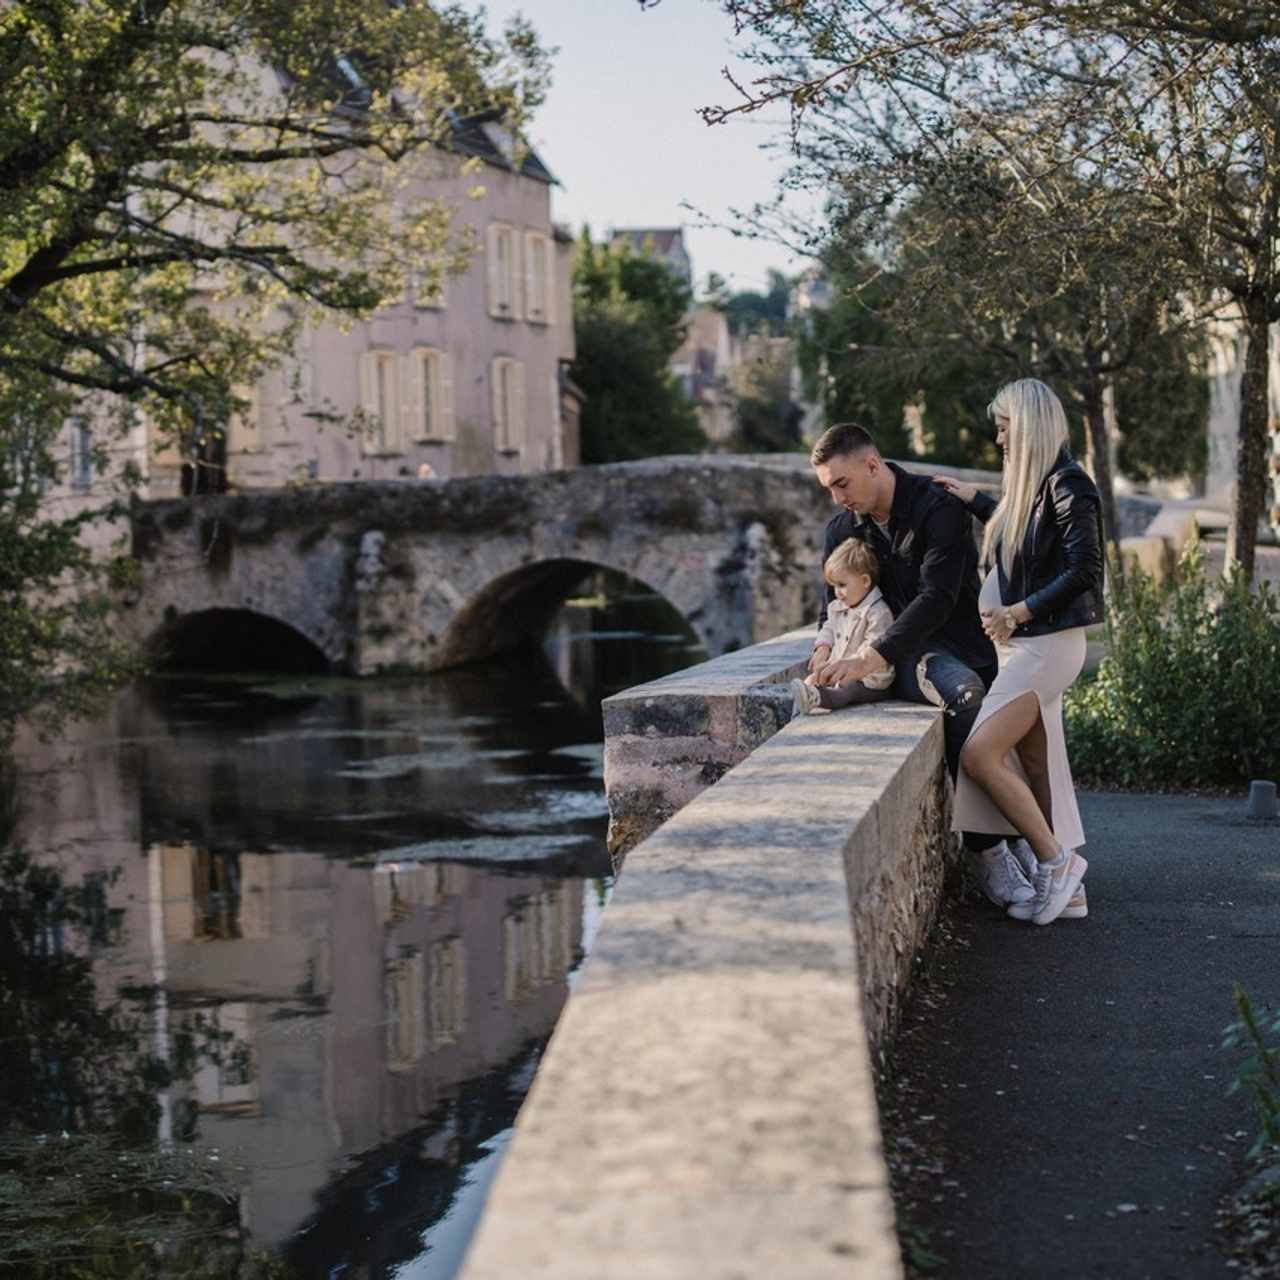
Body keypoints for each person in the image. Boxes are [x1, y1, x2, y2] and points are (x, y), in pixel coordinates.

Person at [807, 423, 1030, 908]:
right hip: (910, 660)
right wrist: (823, 651)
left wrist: (868, 656)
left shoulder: (937, 507)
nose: (837, 498)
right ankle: (987, 850)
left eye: (841, 484)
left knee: (988, 714)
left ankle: (1014, 839)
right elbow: (830, 606)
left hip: (958, 644)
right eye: (829, 489)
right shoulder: (842, 531)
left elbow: (938, 597)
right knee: (963, 695)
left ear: (872, 465)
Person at [934, 378, 1104, 925]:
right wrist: (976, 500)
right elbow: (1026, 539)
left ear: (1027, 427)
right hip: (1028, 649)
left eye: (1004, 429)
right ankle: (1069, 893)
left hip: (1045, 648)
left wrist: (1017, 612)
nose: (999, 440)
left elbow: (1084, 569)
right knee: (1034, 764)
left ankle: (1057, 863)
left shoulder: (1071, 486)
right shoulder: (1036, 489)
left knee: (980, 754)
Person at [791, 538, 895, 715]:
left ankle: (822, 699)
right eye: (833, 586)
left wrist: (846, 667)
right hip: (840, 668)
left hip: (871, 678)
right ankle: (799, 709)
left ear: (864, 581)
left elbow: (873, 645)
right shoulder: (836, 607)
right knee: (812, 678)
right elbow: (829, 627)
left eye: (842, 585)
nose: (837, 592)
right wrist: (823, 645)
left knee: (847, 688)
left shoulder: (878, 612)